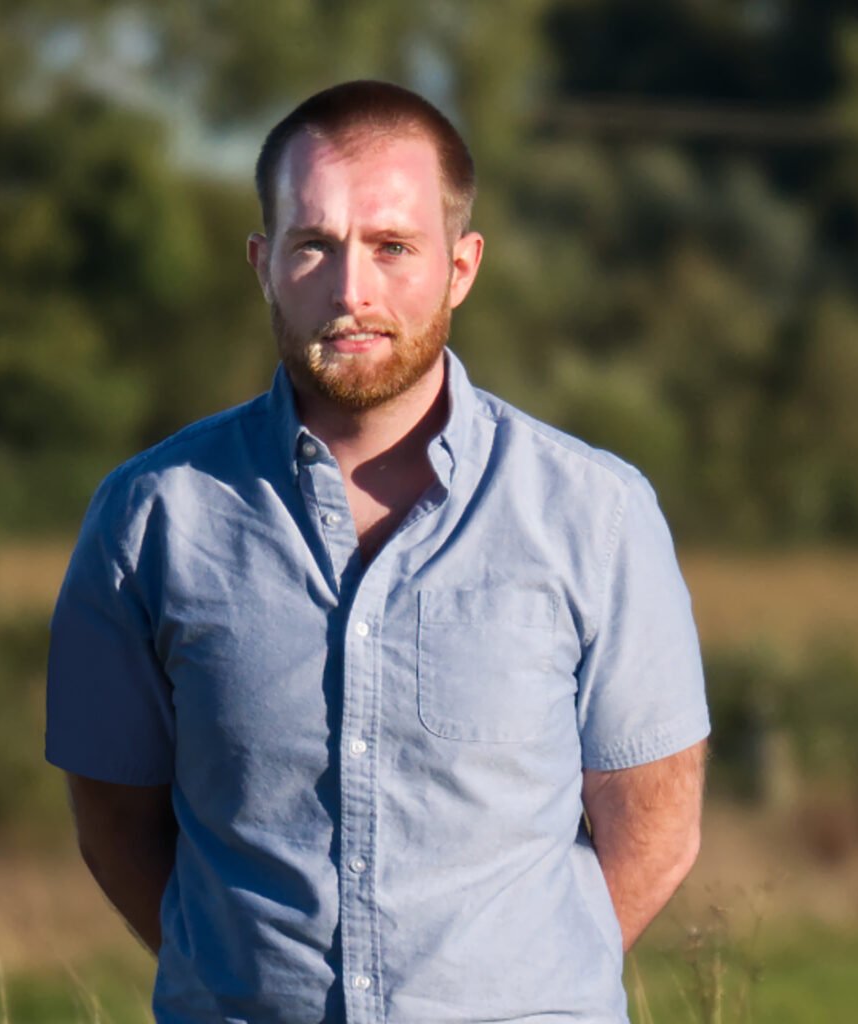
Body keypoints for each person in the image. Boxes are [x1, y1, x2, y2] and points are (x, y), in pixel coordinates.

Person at [46, 80, 710, 1024]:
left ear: (462, 267)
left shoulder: (596, 515)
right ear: (263, 264)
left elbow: (658, 828)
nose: (351, 290)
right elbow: (114, 821)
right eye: (313, 244)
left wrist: (517, 989)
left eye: (393, 247)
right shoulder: (151, 518)